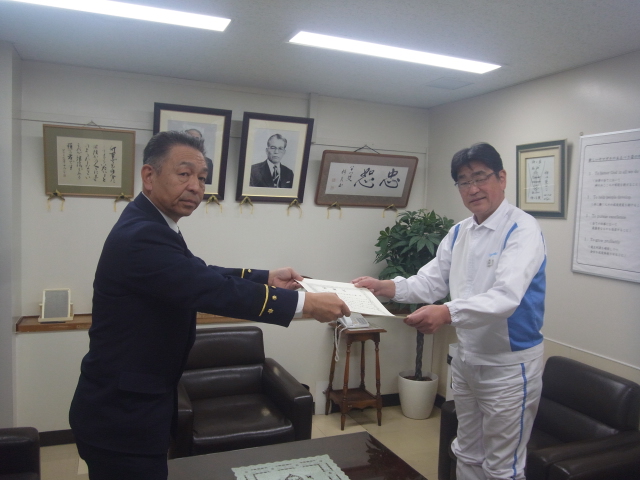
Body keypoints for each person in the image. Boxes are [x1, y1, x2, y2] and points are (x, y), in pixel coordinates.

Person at [69, 131, 350, 480]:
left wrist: (265, 278)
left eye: (202, 178)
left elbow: (196, 272)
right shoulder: (141, 234)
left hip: (132, 405)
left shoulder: (152, 223)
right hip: (121, 415)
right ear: (149, 176)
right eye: (184, 174)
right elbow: (207, 288)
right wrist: (305, 303)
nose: (195, 187)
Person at [353, 143, 546, 480]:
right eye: (464, 181)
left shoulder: (522, 229)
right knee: (466, 451)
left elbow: (505, 297)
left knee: (502, 467)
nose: (473, 188)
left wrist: (446, 313)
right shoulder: (460, 232)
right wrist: (385, 287)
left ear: (501, 178)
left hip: (508, 365)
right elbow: (430, 282)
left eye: (480, 177)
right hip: (467, 358)